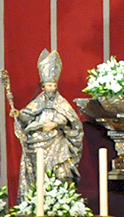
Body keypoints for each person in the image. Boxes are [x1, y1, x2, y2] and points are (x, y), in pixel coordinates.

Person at [13, 49, 83, 197]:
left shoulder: (61, 103)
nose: (52, 89)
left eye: (54, 85)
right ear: (43, 87)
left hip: (57, 142)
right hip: (38, 142)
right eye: (49, 86)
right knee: (40, 173)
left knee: (61, 172)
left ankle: (60, 199)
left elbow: (72, 120)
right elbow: (27, 115)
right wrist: (18, 114)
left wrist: (56, 124)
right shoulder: (38, 102)